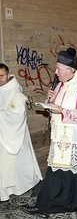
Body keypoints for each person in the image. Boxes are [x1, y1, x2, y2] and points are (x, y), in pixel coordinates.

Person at [22, 48, 77, 218]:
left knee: (73, 173)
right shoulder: (60, 84)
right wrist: (50, 102)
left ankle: (52, 205)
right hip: (61, 137)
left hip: (76, 137)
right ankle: (56, 203)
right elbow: (56, 109)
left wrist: (63, 111)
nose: (56, 72)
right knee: (64, 173)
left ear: (70, 70)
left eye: (59, 69)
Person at [0, 63, 42, 203]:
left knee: (22, 163)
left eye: (1, 76)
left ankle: (36, 184)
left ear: (8, 74)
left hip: (15, 134)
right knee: (6, 166)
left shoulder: (15, 91)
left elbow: (17, 114)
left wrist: (1, 117)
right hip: (3, 135)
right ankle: (6, 191)